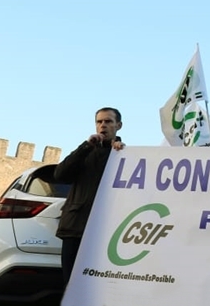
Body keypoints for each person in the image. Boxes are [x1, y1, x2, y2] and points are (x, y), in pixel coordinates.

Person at [54, 107, 126, 287]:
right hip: (75, 229)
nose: (103, 125)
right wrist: (86, 146)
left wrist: (119, 152)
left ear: (118, 125)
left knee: (98, 286)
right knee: (71, 285)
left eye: (108, 121)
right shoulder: (85, 152)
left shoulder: (124, 155)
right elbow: (60, 175)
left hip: (105, 233)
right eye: (99, 122)